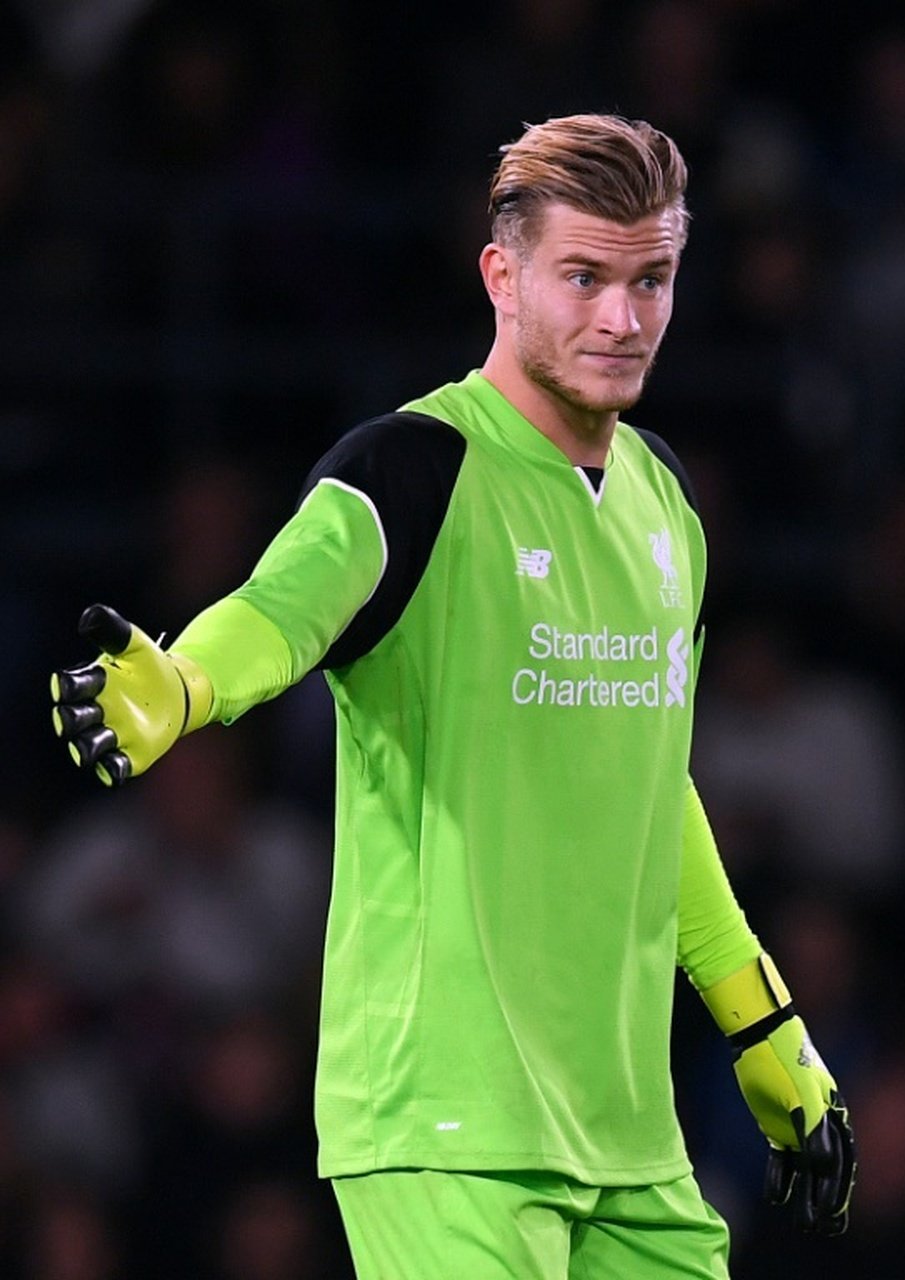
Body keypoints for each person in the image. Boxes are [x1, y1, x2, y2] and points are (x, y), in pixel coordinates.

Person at [50, 112, 855, 1279]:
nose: (621, 319)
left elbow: (647, 785)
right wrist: (182, 684)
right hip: (446, 1124)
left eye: (652, 278)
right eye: (582, 276)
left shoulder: (666, 503)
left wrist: (763, 1022)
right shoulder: (410, 468)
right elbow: (284, 607)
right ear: (501, 274)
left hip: (630, 1140)